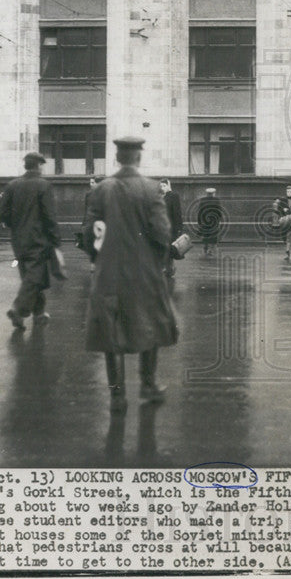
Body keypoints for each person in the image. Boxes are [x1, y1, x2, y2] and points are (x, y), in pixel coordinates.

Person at [83, 137, 178, 412]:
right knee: (152, 322)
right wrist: (155, 262)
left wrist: (97, 259)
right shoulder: (151, 189)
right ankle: (148, 385)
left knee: (110, 332)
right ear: (138, 158)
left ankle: (117, 395)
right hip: (144, 271)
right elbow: (162, 233)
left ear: (117, 158)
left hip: (108, 271)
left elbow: (90, 232)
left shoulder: (101, 190)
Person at [0, 152, 60, 329]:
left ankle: (39, 314)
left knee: (30, 276)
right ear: (38, 166)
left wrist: (15, 226)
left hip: (18, 239)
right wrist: (55, 238)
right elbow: (49, 215)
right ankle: (18, 310)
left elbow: (2, 213)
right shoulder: (43, 185)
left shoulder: (12, 185)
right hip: (38, 239)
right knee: (34, 277)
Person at [158, 178, 184, 280]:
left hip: (171, 228)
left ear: (169, 186)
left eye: (164, 186)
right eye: (161, 186)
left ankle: (169, 269)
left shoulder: (173, 196)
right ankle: (167, 268)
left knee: (168, 249)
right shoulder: (160, 197)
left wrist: (179, 229)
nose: (162, 188)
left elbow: (177, 213)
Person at [197, 188, 223, 257]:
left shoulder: (202, 200)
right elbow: (219, 211)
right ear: (214, 193)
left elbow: (199, 211)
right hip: (214, 221)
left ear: (207, 193)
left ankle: (205, 249)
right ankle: (211, 250)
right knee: (213, 235)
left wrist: (199, 221)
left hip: (205, 221)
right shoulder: (217, 200)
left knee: (206, 235)